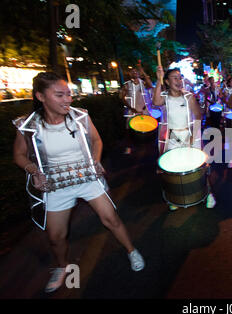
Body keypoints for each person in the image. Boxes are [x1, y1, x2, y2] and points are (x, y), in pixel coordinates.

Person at [12, 72, 145, 293]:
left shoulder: (80, 116)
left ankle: (132, 250)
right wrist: (33, 170)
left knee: (110, 218)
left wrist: (95, 161)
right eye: (60, 95)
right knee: (56, 236)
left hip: (86, 178)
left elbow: (96, 140)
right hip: (55, 185)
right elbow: (19, 155)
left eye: (69, 94)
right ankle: (63, 266)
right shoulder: (28, 125)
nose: (68, 99)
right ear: (41, 96)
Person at [152, 66, 217, 210]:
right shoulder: (165, 97)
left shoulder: (188, 96)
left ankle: (208, 193)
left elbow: (198, 116)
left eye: (180, 77)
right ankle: (175, 198)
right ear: (167, 82)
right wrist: (158, 79)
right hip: (172, 138)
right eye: (174, 77)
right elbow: (155, 102)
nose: (179, 80)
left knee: (199, 166)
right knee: (173, 168)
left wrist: (194, 136)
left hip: (190, 135)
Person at [119, 63, 154, 154]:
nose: (134, 73)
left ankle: (147, 147)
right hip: (132, 111)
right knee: (129, 129)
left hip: (144, 110)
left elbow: (151, 86)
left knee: (147, 128)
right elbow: (121, 97)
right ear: (130, 74)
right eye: (132, 71)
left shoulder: (144, 83)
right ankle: (129, 147)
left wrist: (144, 73)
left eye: (136, 71)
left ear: (139, 74)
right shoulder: (127, 85)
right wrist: (130, 107)